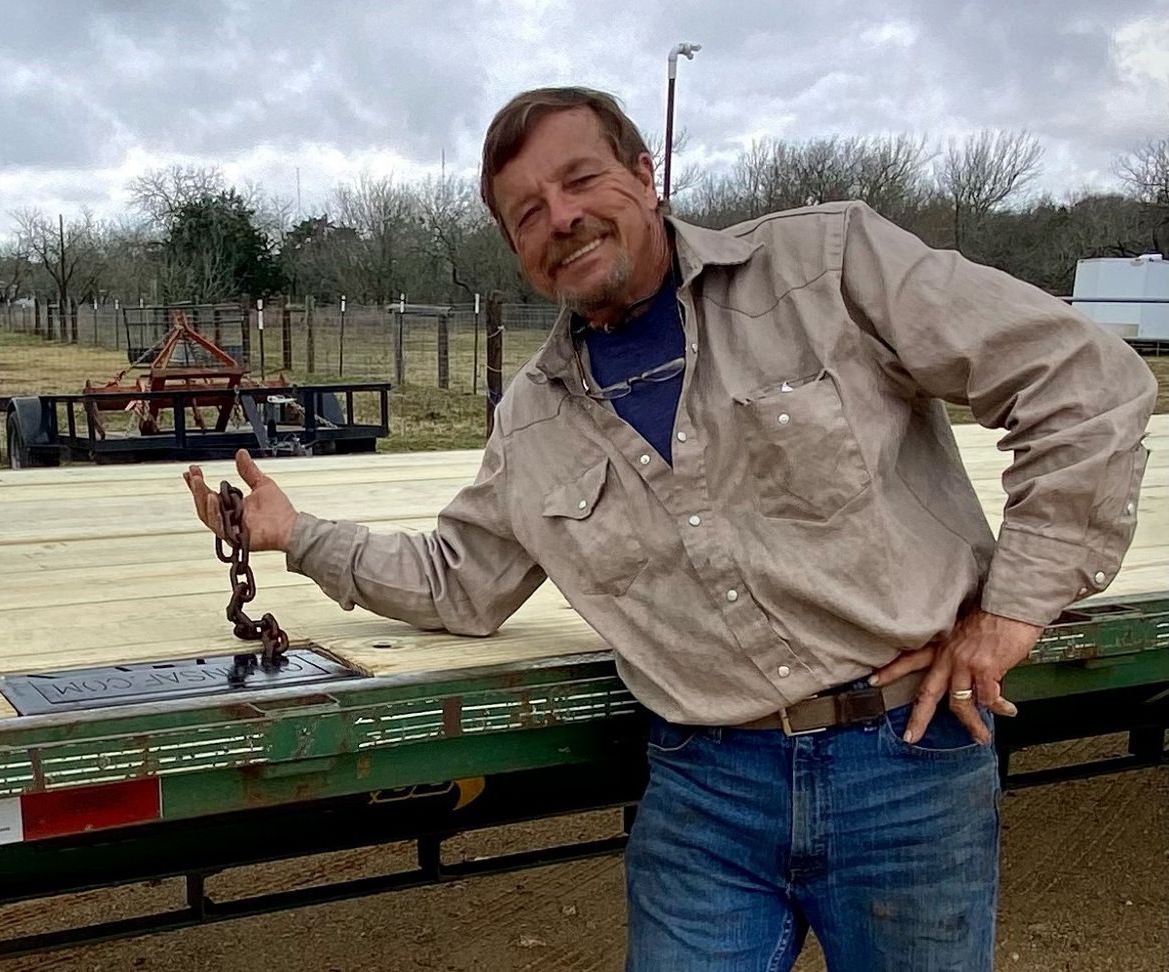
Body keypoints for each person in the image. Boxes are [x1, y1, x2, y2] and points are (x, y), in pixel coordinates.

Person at [182, 86, 1156, 970]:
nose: (560, 217)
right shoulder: (533, 421)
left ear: (647, 176)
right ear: (519, 254)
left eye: (580, 179)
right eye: (527, 213)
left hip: (902, 764)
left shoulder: (827, 268)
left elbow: (1084, 383)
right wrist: (294, 532)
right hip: (704, 791)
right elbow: (458, 581)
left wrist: (1013, 610)